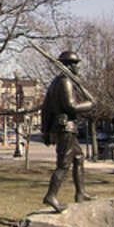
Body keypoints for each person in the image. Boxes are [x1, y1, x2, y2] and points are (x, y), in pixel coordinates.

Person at [40, 50, 95, 212]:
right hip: (66, 128)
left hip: (65, 127)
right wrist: (90, 105)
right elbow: (71, 106)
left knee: (78, 157)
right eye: (75, 64)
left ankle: (80, 192)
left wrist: (46, 130)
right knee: (63, 165)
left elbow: (46, 109)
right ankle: (51, 196)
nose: (78, 67)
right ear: (69, 65)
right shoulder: (65, 82)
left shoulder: (57, 82)